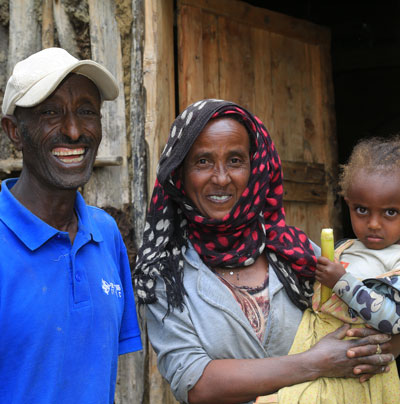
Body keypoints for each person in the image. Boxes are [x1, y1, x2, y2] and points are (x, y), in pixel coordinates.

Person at [133, 99, 398, 404]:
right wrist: (315, 362)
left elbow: (379, 323)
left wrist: (379, 346)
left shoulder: (298, 253)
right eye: (203, 161)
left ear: (255, 168)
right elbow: (194, 383)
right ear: (180, 172)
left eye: (235, 160)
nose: (221, 178)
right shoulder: (164, 275)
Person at [0, 47, 142, 404]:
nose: (75, 131)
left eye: (86, 111)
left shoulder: (105, 234)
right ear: (14, 130)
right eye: (50, 112)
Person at [278, 136, 400, 403]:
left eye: (390, 212)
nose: (374, 223)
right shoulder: (344, 248)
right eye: (362, 210)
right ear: (348, 204)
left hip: (361, 369)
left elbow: (393, 320)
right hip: (316, 350)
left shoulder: (397, 261)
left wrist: (342, 281)